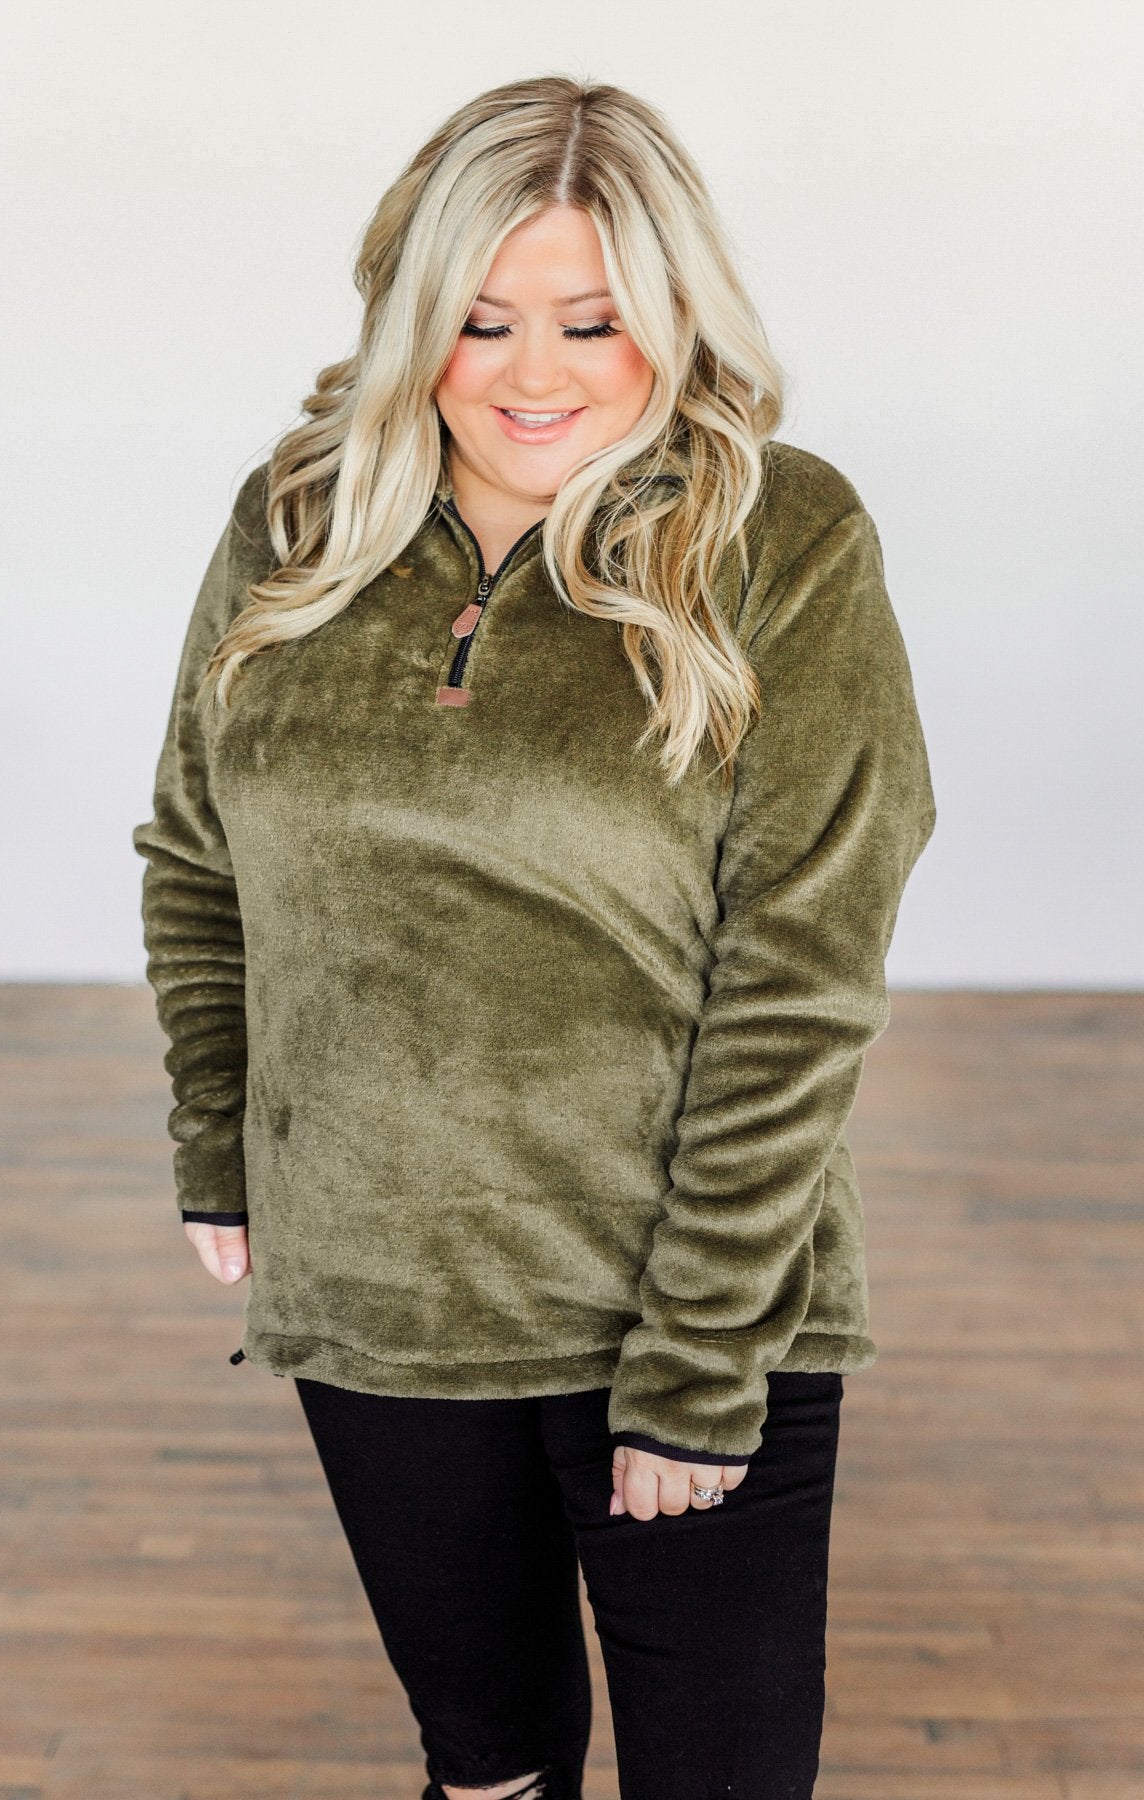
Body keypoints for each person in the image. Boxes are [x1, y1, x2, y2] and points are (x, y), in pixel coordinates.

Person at [132, 73, 935, 1800]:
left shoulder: (783, 538)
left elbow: (799, 977)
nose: (533, 373)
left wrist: (701, 1354)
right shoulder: (297, 519)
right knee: (486, 1771)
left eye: (593, 320)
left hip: (688, 1298)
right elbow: (199, 859)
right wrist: (218, 1139)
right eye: (482, 320)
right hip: (383, 1291)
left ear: (675, 319)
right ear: (412, 313)